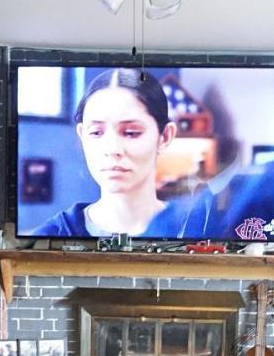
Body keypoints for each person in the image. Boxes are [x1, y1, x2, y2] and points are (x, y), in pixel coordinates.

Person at [28, 69, 208, 238]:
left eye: (131, 133)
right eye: (97, 133)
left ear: (165, 137)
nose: (112, 149)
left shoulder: (200, 230)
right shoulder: (51, 236)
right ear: (82, 136)